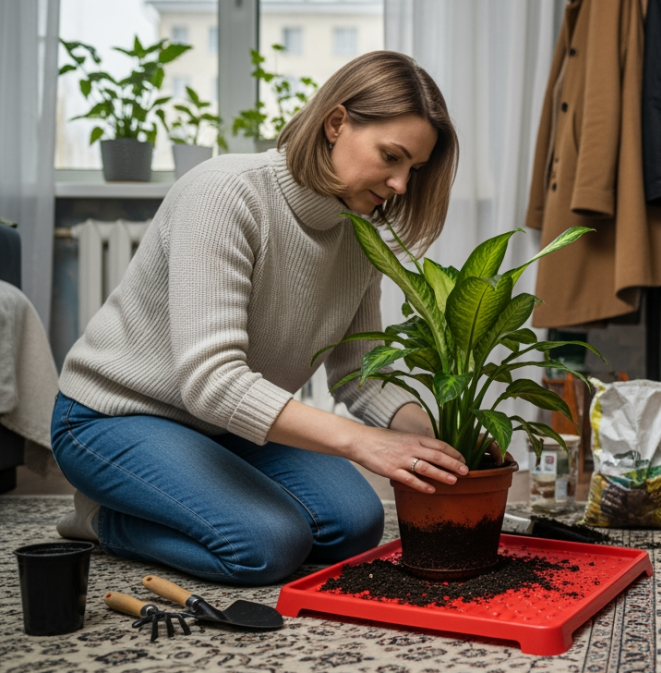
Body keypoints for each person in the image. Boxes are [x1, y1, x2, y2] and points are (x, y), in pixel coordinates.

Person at [50, 51, 467, 585]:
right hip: (113, 417)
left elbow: (359, 371)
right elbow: (212, 381)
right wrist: (358, 441)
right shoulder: (227, 193)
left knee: (356, 524)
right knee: (268, 544)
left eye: (414, 169)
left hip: (226, 428)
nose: (401, 185)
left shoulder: (361, 236)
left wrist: (436, 439)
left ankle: (183, 496)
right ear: (336, 123)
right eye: (391, 157)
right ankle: (101, 519)